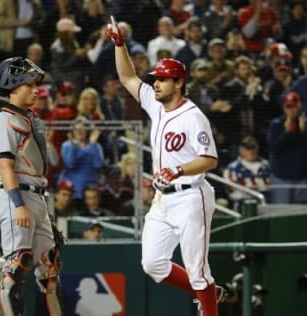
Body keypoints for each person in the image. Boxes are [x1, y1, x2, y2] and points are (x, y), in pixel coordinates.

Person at [106, 18, 223, 315]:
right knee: (152, 263)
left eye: (162, 78)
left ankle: (206, 298)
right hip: (162, 199)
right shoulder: (156, 104)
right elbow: (127, 77)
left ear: (179, 82)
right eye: (155, 78)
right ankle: (208, 292)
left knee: (197, 268)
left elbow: (210, 159)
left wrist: (180, 169)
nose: (155, 82)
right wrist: (120, 45)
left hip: (190, 195)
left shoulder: (193, 116)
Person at [0, 57, 63, 316]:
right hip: (16, 195)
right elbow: (5, 166)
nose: (36, 90)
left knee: (50, 267)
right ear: (13, 87)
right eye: (29, 84)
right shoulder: (3, 120)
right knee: (17, 266)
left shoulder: (30, 117)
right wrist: (18, 204)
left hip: (36, 196)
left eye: (36, 84)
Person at [266, 91, 307, 204]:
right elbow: (273, 148)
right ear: (284, 108)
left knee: (302, 215)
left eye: (294, 106)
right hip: (281, 178)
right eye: (288, 107)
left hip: (302, 177)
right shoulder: (277, 124)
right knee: (281, 214)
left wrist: (304, 131)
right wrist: (287, 132)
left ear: (300, 106)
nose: (291, 110)